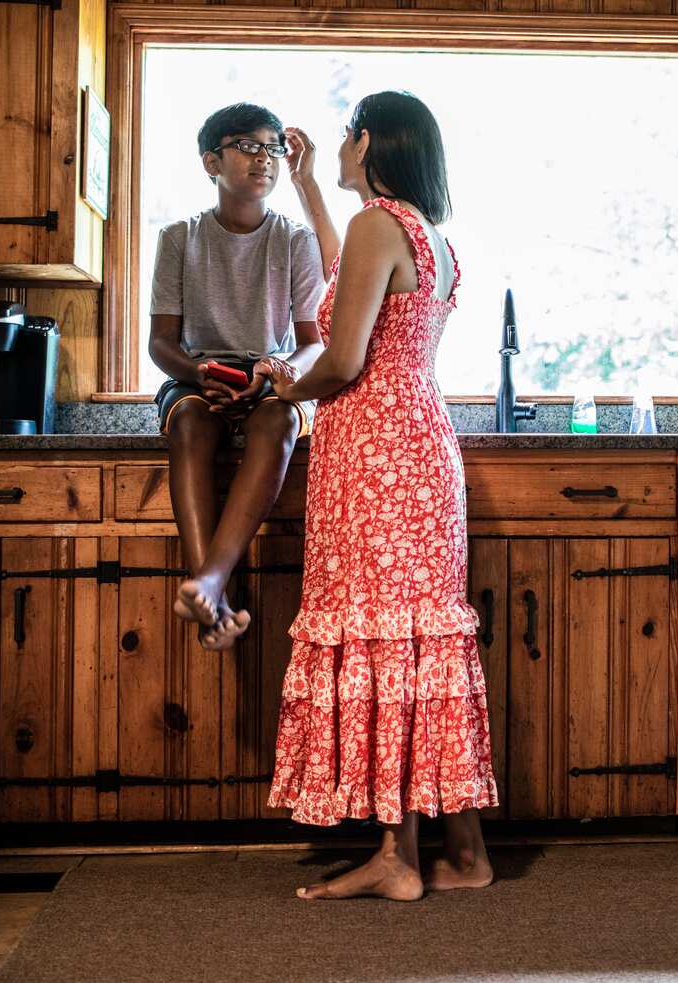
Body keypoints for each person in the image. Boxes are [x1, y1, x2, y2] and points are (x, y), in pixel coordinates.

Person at [259, 92, 497, 900]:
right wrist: (308, 190)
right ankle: (464, 854)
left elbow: (345, 354)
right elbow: (346, 285)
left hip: (373, 450)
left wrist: (284, 387)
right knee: (419, 640)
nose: (336, 145)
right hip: (424, 446)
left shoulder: (378, 227)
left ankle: (398, 857)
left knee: (381, 636)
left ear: (368, 141)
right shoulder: (429, 236)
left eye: (344, 135)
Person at [149, 103, 326, 650]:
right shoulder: (180, 237)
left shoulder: (296, 240)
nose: (264, 158)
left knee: (277, 422)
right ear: (211, 161)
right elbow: (160, 343)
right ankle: (214, 598)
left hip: (273, 377)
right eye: (248, 146)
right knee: (190, 425)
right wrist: (198, 376)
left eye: (274, 148)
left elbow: (314, 343)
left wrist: (274, 374)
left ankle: (207, 586)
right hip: (197, 374)